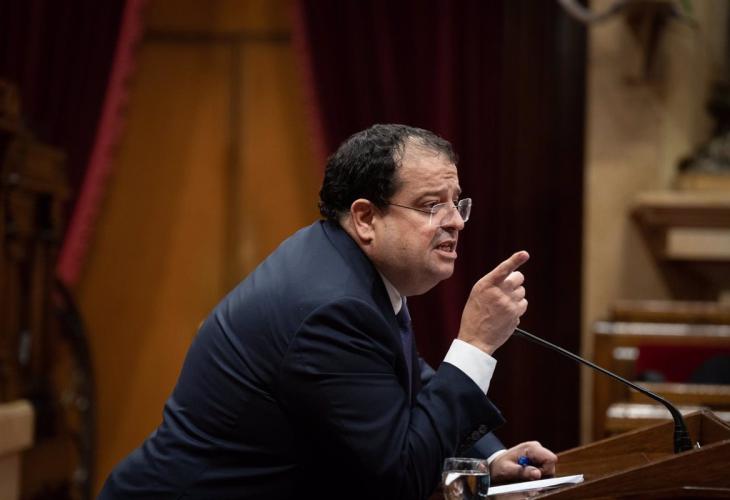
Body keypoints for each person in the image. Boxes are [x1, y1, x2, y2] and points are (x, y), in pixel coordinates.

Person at [99, 124, 557, 499]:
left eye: (456, 203)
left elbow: (406, 378)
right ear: (365, 218)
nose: (455, 220)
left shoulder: (349, 269)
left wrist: (488, 459)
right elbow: (398, 478)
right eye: (431, 205)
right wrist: (475, 343)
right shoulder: (332, 307)